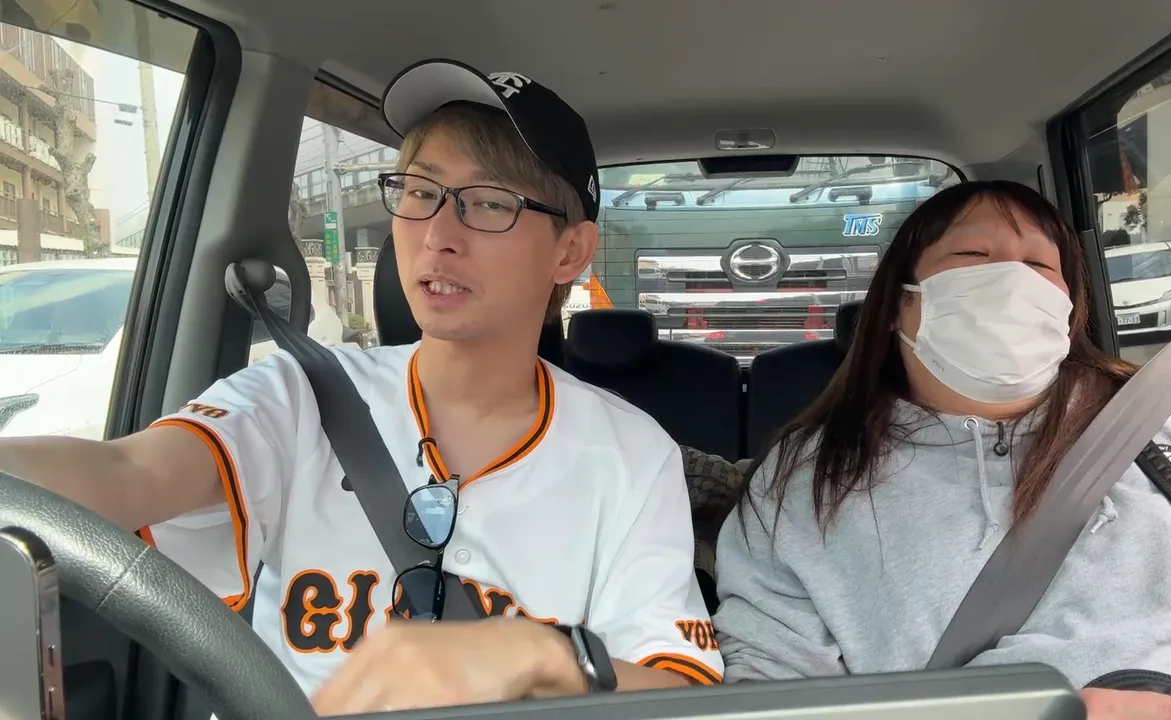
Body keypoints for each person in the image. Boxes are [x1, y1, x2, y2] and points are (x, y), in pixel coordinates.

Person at [0, 58, 722, 715]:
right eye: (421, 192)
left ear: (570, 251)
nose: (437, 234)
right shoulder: (300, 394)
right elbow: (129, 471)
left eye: (490, 202)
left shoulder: (631, 455)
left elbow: (686, 691)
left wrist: (542, 656)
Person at [712, 180, 1171, 719]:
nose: (1012, 279)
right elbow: (772, 693)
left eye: (1039, 266)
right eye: (973, 255)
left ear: (1067, 307)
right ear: (899, 305)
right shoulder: (807, 482)